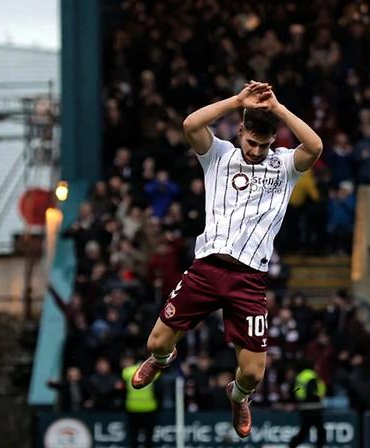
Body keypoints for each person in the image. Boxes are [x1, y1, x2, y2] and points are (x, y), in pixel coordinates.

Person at [131, 81, 323, 438]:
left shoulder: (284, 166)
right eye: (251, 142)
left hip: (249, 279)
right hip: (206, 269)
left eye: (264, 145)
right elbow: (190, 124)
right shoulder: (219, 155)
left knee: (252, 374)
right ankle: (161, 361)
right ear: (240, 131)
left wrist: (278, 109)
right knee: (156, 343)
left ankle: (238, 396)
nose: (256, 150)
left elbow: (314, 145)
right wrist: (237, 100)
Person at [122, 358, 160, 448]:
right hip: (149, 408)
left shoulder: (128, 371)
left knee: (133, 437)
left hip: (132, 408)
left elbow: (123, 374)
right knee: (149, 438)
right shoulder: (152, 372)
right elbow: (159, 372)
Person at [288, 364, 327, 448]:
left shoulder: (300, 376)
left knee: (304, 431)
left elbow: (294, 390)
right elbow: (312, 391)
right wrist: (318, 395)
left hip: (304, 408)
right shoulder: (310, 375)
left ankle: (292, 445)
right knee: (320, 431)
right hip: (313, 408)